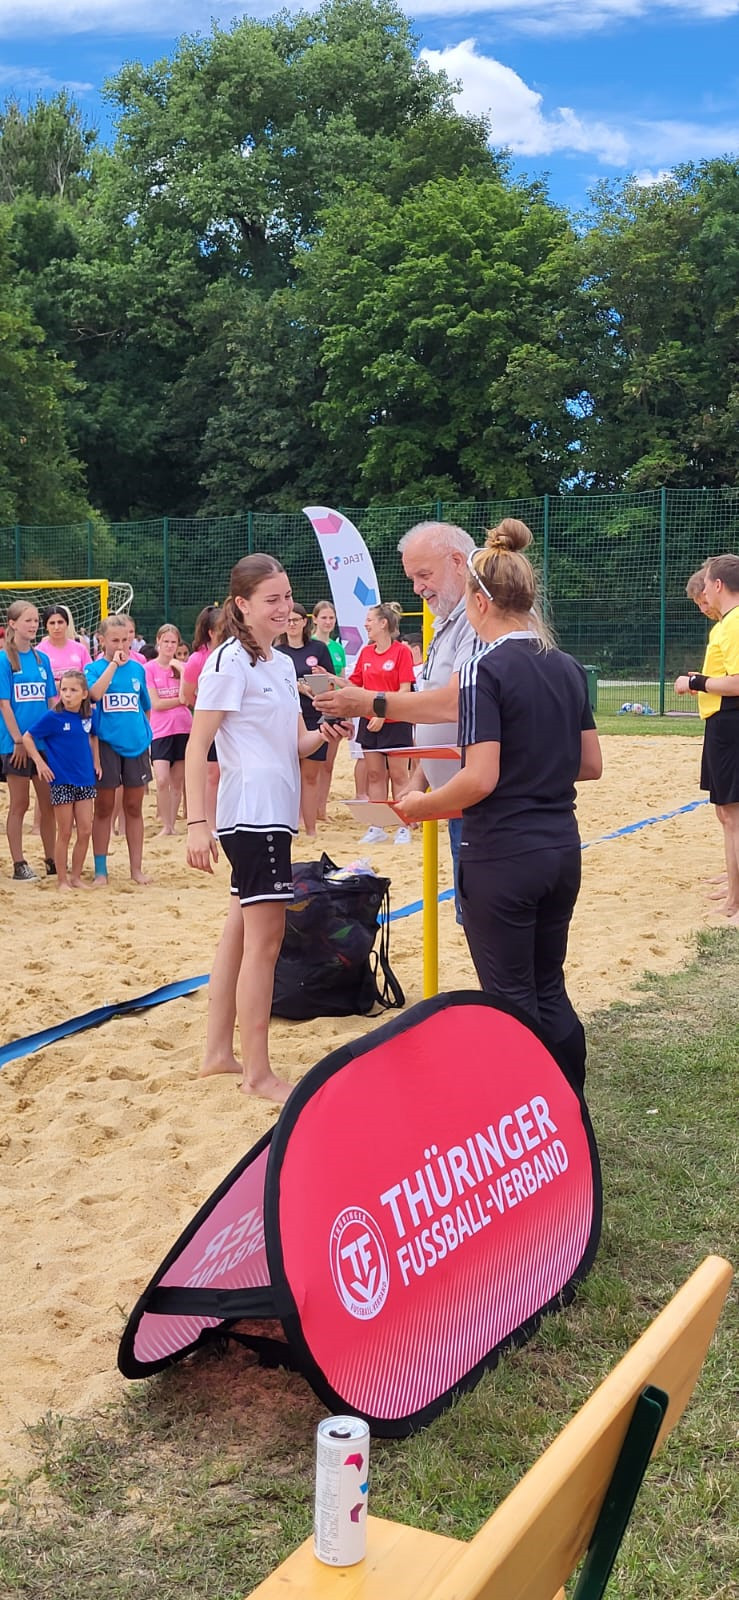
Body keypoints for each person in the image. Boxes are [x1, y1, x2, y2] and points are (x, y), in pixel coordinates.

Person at [398, 520, 603, 1089]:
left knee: (511, 1000)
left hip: (503, 852)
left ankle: (535, 1116)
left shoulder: (480, 669)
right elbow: (590, 765)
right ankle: (570, 1106)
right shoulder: (563, 665)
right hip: (561, 846)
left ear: (479, 600)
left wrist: (422, 804)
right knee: (549, 988)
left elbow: (480, 778)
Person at [185, 553, 352, 1103]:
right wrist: (195, 823)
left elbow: (289, 745)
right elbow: (196, 746)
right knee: (266, 943)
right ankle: (258, 1073)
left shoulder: (281, 665)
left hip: (272, 810)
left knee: (240, 932)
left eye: (287, 597)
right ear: (242, 604)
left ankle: (217, 1052)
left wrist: (324, 733)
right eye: (271, 600)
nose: (284, 608)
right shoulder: (227, 662)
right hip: (250, 813)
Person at [316, 521, 481, 912]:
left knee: (483, 922)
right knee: (473, 918)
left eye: (424, 575)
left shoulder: (475, 623)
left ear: (458, 562)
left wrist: (371, 704)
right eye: (412, 577)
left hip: (477, 800)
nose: (417, 588)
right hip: (456, 795)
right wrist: (420, 782)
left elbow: (454, 704)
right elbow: (443, 723)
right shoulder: (445, 621)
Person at [675, 552, 739, 928]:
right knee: (727, 813)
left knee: (732, 816)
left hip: (729, 724)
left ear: (717, 585)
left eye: (707, 586)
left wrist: (695, 683)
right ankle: (732, 887)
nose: (704, 598)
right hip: (723, 722)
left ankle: (734, 900)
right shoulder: (729, 623)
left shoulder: (732, 624)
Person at [85, 614, 153, 885]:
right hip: (106, 744)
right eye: (115, 640)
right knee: (104, 807)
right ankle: (101, 869)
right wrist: (112, 665)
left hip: (136, 744)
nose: (122, 645)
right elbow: (93, 695)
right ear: (102, 640)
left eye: (126, 639)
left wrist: (142, 733)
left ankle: (136, 868)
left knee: (134, 806)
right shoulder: (93, 668)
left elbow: (144, 705)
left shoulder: (138, 669)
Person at [20, 670, 101, 889]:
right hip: (61, 780)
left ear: (84, 694)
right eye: (64, 689)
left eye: (73, 690)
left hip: (85, 779)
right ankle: (62, 879)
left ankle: (76, 877)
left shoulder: (89, 715)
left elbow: (94, 736)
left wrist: (97, 761)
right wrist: (40, 762)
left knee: (85, 830)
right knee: (64, 831)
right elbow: (28, 737)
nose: (67, 694)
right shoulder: (53, 717)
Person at [348, 604, 414, 842]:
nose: (366, 624)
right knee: (375, 775)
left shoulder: (401, 652)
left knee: (399, 775)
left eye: (369, 620)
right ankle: (378, 825)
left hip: (395, 721)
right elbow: (355, 685)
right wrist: (329, 678)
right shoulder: (366, 653)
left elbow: (405, 689)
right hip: (369, 721)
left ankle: (403, 823)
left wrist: (383, 714)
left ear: (383, 623)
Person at [0, 601, 57, 879]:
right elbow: (4, 704)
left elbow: (50, 701)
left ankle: (52, 858)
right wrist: (17, 740)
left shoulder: (41, 659)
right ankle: (19, 863)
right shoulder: (4, 659)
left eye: (36, 620)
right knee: (19, 803)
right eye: (28, 620)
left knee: (47, 803)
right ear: (12, 623)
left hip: (43, 743)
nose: (33, 625)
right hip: (16, 743)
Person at [277, 602, 334, 839]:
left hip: (313, 714)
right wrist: (298, 686)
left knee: (311, 775)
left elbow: (329, 682)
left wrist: (315, 684)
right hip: (287, 717)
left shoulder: (318, 648)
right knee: (287, 775)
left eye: (296, 620)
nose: (292, 624)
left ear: (304, 622)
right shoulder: (278, 651)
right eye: (288, 620)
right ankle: (289, 825)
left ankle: (310, 828)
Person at [181, 605, 223, 834]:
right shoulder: (198, 659)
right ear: (211, 632)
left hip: (232, 723)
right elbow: (187, 695)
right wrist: (208, 710)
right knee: (212, 773)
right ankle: (211, 823)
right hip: (210, 722)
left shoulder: (235, 654)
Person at [145, 624, 192, 835]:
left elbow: (187, 698)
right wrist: (178, 700)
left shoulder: (182, 668)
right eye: (166, 641)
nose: (169, 646)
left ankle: (171, 825)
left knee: (177, 781)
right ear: (158, 642)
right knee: (162, 779)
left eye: (173, 642)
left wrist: (182, 670)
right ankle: (165, 823)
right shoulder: (149, 668)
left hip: (183, 727)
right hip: (160, 729)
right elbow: (156, 703)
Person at [312, 600, 347, 823]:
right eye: (323, 617)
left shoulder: (337, 648)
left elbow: (343, 679)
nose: (328, 621)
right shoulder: (310, 645)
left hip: (334, 706)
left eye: (331, 618)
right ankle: (309, 808)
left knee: (328, 763)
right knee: (310, 763)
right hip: (314, 705)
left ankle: (321, 810)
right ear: (314, 619)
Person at [37, 605, 91, 692]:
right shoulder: (39, 651)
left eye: (60, 622)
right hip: (51, 703)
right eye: (52, 623)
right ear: (46, 626)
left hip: (77, 703)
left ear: (67, 624)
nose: (56, 627)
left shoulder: (80, 649)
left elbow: (90, 677)